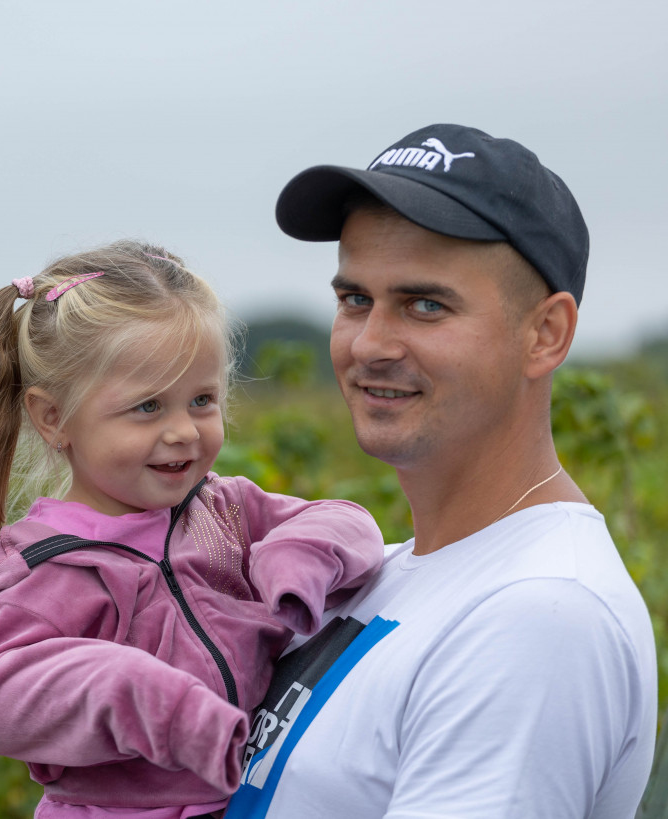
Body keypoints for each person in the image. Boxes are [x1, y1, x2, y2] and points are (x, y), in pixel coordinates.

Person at [226, 124, 658, 818]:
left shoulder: (540, 614)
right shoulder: (387, 575)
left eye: (425, 305)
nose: (370, 344)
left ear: (545, 334)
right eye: (354, 299)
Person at [0, 240, 385, 819]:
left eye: (201, 400)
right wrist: (150, 700)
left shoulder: (221, 510)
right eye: (148, 407)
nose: (183, 431)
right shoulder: (48, 567)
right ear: (54, 418)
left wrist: (295, 561)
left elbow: (344, 521)